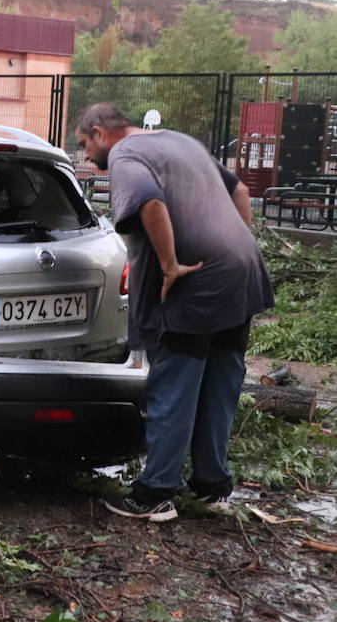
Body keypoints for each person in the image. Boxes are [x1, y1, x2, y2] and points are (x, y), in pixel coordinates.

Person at [74, 103, 274, 522]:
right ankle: (212, 487)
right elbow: (239, 191)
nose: (86, 157)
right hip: (243, 274)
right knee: (221, 380)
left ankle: (155, 494)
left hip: (197, 283)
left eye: (84, 145)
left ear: (99, 132)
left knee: (175, 384)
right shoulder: (181, 141)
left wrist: (170, 266)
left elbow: (149, 203)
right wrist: (236, 245)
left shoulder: (127, 156)